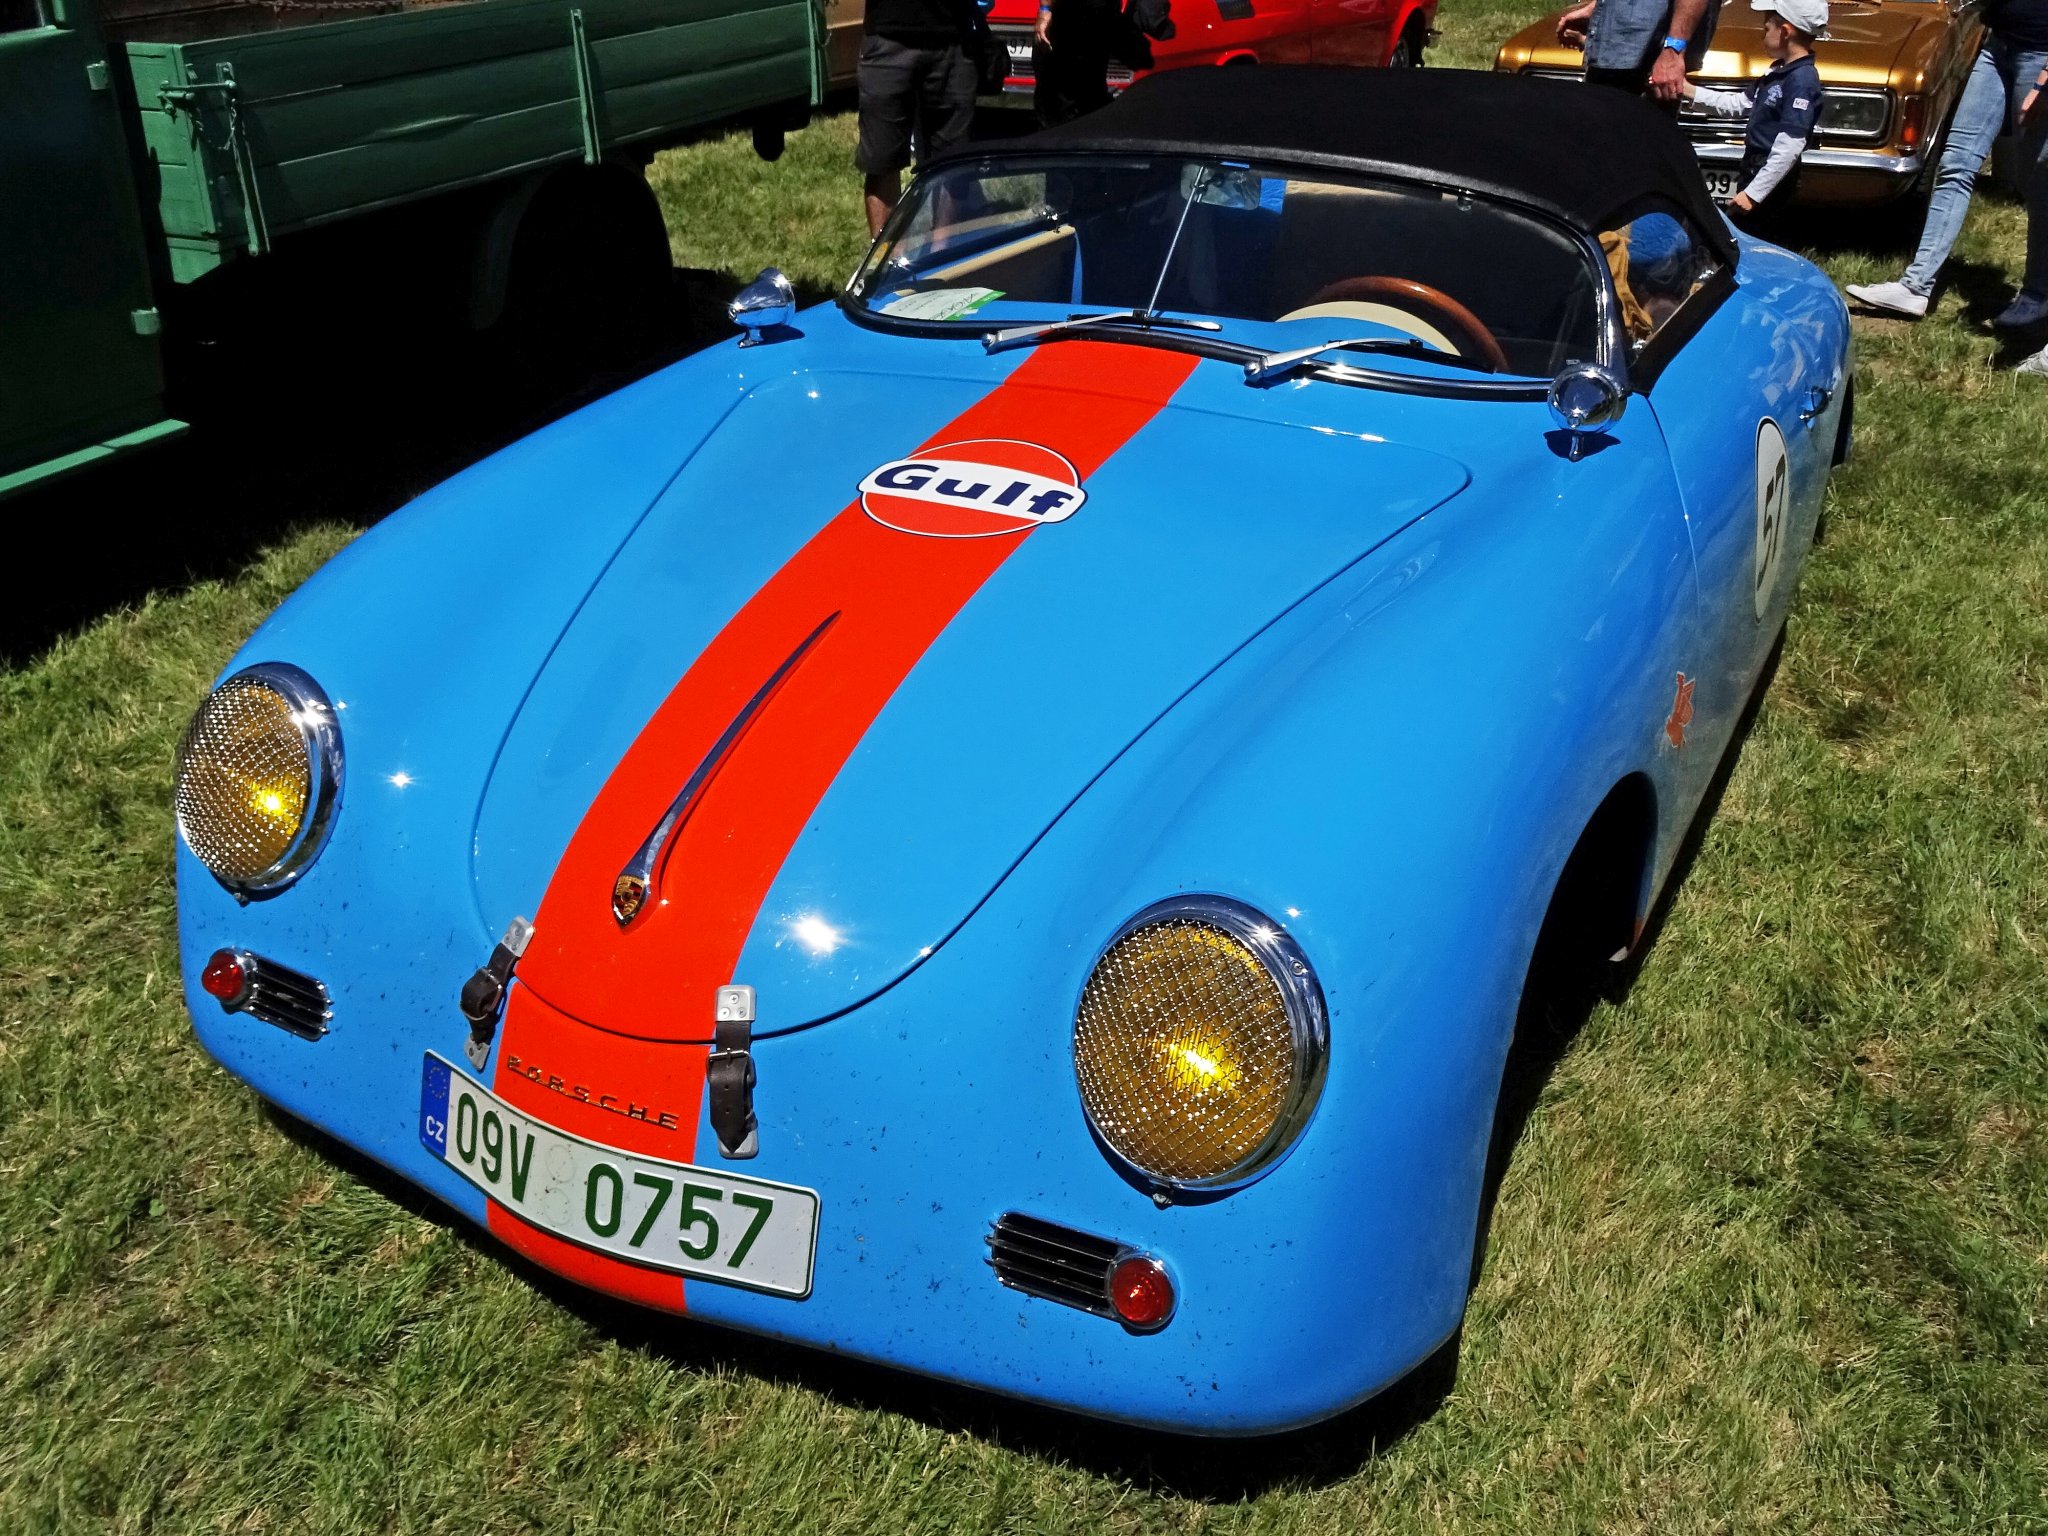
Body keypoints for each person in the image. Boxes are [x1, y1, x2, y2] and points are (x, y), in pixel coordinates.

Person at [1844, 0, 2048, 323]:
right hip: (1997, 46)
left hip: (2041, 54)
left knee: (2037, 180)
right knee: (1956, 160)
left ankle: (2037, 294)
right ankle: (1915, 287)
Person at [1680, 0, 1826, 221]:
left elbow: (1790, 146)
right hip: (1754, 165)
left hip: (1772, 175)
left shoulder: (1801, 80)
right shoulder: (1778, 72)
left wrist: (1753, 194)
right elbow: (1738, 105)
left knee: (1759, 233)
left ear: (1785, 32)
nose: (1762, 34)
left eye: (1766, 28)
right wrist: (1688, 91)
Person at [856, 0, 980, 236]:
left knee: (953, 159)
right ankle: (887, 263)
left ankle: (941, 258)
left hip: (953, 40)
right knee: (883, 160)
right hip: (888, 37)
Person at [1554, 0, 1719, 107]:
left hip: (1648, 61)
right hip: (1616, 58)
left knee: (1639, 150)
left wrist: (1673, 50)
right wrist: (1597, 10)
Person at [1033, 0, 1120, 127]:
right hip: (1097, 12)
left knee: (1059, 92)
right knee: (1090, 87)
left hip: (1074, 16)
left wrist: (1045, 10)